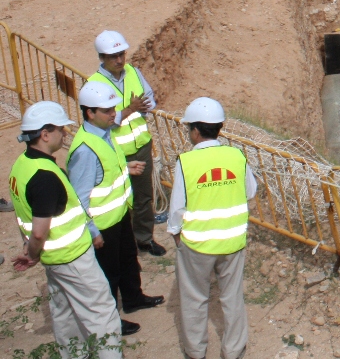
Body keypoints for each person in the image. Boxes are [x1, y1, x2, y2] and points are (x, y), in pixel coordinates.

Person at [9, 102, 122, 359]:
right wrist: (32, 254)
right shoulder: (45, 176)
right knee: (102, 314)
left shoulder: (21, 166)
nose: (66, 134)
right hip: (72, 257)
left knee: (65, 315)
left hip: (55, 260)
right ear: (45, 134)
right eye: (61, 129)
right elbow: (39, 231)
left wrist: (34, 251)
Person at [68, 82, 164, 336]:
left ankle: (133, 298)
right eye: (107, 110)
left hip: (119, 215)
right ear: (89, 112)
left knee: (128, 260)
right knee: (107, 274)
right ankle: (111, 320)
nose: (114, 114)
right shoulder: (85, 149)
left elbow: (106, 171)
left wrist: (127, 167)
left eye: (113, 108)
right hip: (103, 224)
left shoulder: (104, 133)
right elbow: (79, 198)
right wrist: (92, 231)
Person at [168, 97, 257, 359]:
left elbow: (177, 208)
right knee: (232, 298)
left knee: (195, 299)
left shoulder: (185, 163)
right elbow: (250, 191)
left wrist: (176, 234)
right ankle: (234, 351)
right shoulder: (236, 156)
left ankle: (196, 352)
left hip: (197, 245)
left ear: (195, 131)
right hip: (232, 242)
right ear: (219, 128)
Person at [86, 30, 165, 256]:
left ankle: (144, 239)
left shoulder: (133, 72)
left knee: (143, 197)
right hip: (115, 153)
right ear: (102, 58)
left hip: (141, 146)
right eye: (113, 56)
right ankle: (124, 244)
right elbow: (100, 123)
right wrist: (130, 110)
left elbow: (150, 100)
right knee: (119, 200)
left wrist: (142, 107)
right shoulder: (95, 85)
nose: (120, 60)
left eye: (122, 54)